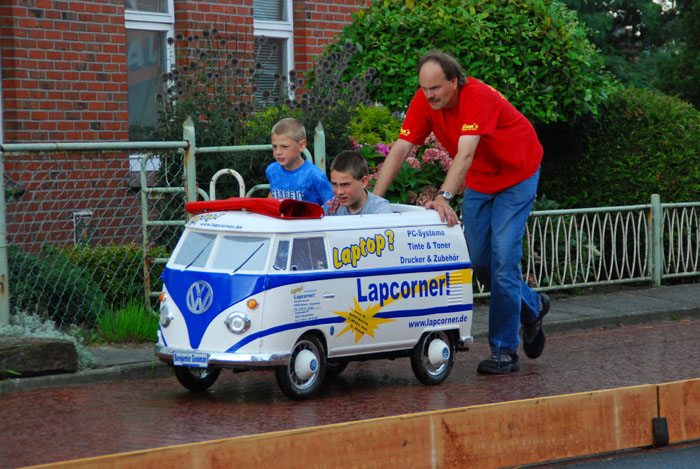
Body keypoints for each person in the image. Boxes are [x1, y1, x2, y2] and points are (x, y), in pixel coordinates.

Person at [372, 50, 550, 375]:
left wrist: (443, 197)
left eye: (436, 88)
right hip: (482, 179)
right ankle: (533, 305)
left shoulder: (477, 96)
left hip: (518, 175)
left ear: (454, 82)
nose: (430, 95)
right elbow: (401, 147)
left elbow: (465, 153)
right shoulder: (424, 100)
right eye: (425, 89)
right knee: (481, 264)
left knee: (504, 262)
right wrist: (372, 201)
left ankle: (504, 351)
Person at [266, 117, 334, 206]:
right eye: (275, 146)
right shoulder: (272, 170)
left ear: (301, 145)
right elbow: (273, 194)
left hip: (309, 219)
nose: (278, 152)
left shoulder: (314, 176)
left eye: (285, 146)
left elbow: (332, 205)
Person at [328, 150, 393, 215]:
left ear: (363, 182)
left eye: (345, 184)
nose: (339, 192)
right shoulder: (333, 207)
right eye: (334, 184)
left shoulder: (380, 210)